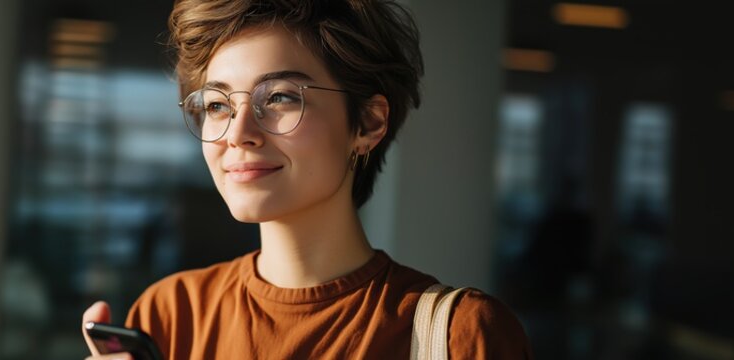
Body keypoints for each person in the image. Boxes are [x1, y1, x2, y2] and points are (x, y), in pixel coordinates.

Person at [83, 0, 532, 358]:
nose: (238, 135)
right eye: (218, 105)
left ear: (369, 123)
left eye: (279, 97)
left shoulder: (462, 335)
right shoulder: (173, 315)